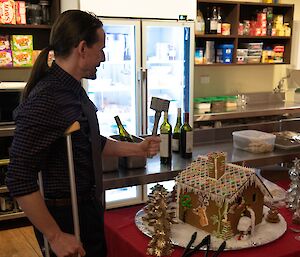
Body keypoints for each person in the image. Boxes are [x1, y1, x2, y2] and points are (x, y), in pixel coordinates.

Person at [6, 10, 160, 257]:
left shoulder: (72, 89)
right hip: (66, 217)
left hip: (86, 208)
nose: (103, 57)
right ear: (82, 48)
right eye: (100, 49)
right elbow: (18, 177)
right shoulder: (48, 97)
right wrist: (54, 235)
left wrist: (138, 148)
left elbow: (89, 142)